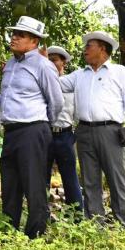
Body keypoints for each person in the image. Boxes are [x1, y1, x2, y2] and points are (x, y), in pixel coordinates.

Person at [0, 16, 63, 238]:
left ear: (34, 41)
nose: (14, 38)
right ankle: (8, 233)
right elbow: (12, 98)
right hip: (11, 132)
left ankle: (35, 235)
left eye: (20, 35)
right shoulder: (11, 64)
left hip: (33, 130)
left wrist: (43, 126)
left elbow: (56, 102)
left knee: (34, 184)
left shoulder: (43, 66)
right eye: (14, 33)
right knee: (10, 185)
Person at [59, 31, 125, 225]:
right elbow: (54, 83)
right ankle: (95, 225)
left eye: (89, 46)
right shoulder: (79, 75)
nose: (84, 50)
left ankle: (123, 225)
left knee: (116, 179)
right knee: (89, 181)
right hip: (84, 131)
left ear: (103, 49)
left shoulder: (119, 72)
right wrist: (38, 65)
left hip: (111, 132)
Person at [45, 46, 83, 211]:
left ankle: (76, 216)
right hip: (45, 135)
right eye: (48, 60)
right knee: (42, 178)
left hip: (65, 136)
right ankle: (42, 215)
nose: (51, 63)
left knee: (70, 178)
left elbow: (79, 114)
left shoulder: (72, 86)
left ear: (63, 63)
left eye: (54, 60)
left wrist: (72, 135)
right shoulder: (42, 84)